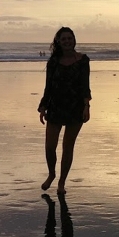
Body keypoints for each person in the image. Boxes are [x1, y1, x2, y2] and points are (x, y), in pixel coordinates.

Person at [37, 27, 91, 195]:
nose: (67, 41)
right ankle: (52, 174)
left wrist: (87, 107)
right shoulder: (53, 61)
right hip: (55, 107)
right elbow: (49, 86)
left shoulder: (83, 60)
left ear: (74, 40)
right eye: (64, 39)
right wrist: (43, 106)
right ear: (59, 42)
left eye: (70, 38)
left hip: (76, 108)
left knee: (68, 147)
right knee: (49, 146)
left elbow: (85, 86)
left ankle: (61, 182)